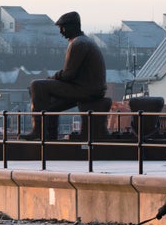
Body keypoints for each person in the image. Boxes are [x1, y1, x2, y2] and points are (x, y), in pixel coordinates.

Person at [20, 11, 107, 140]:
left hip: (86, 89)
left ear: (73, 26)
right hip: (91, 88)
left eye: (63, 27)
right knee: (49, 105)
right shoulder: (83, 41)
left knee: (36, 85)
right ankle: (49, 135)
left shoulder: (78, 44)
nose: (61, 31)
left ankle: (38, 130)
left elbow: (68, 74)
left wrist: (49, 80)